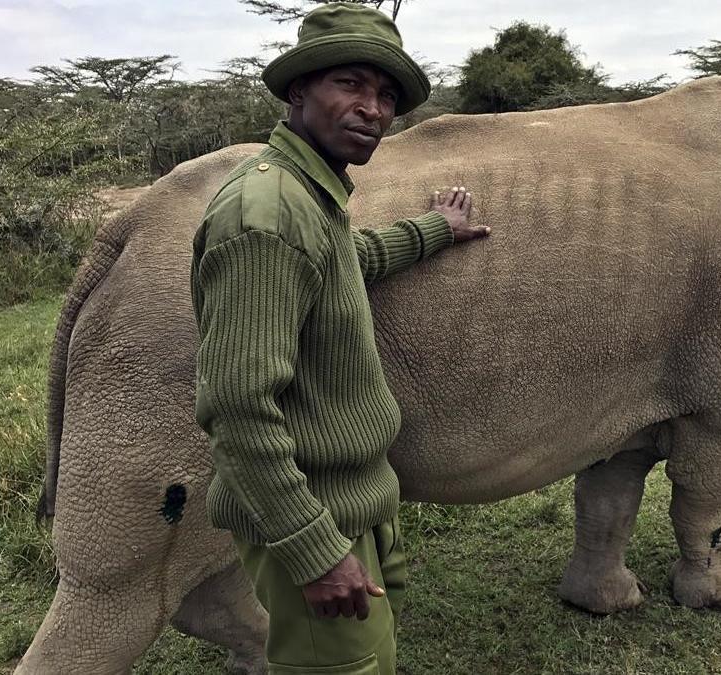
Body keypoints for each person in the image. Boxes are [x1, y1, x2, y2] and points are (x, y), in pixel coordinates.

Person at [189, 3, 488, 673]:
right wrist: (314, 549)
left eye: (385, 95)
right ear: (300, 91)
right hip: (313, 515)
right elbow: (236, 406)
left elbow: (346, 259)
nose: (372, 109)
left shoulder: (307, 194)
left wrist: (434, 229)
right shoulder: (265, 214)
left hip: (343, 501)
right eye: (349, 84)